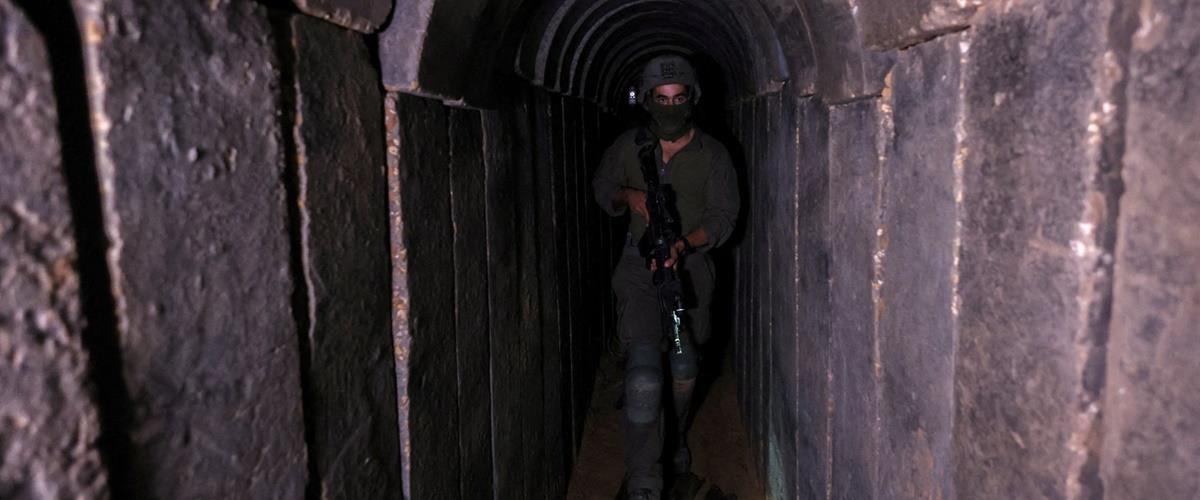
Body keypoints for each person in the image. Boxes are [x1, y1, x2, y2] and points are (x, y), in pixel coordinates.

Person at [592, 54, 740, 500]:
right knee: (643, 377)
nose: (670, 107)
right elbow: (602, 188)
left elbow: (723, 217)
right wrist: (629, 195)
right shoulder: (629, 147)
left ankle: (673, 442)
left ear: (692, 99)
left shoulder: (713, 155)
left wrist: (683, 244)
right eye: (661, 98)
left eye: (678, 98)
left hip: (688, 276)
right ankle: (644, 480)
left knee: (683, 366)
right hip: (639, 273)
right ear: (648, 100)